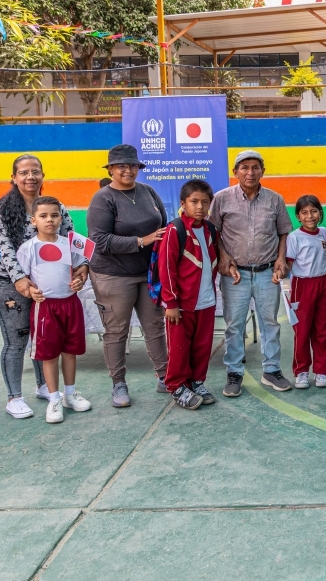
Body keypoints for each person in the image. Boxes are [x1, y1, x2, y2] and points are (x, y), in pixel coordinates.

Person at [0, 154, 74, 419]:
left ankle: (43, 387)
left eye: (35, 172)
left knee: (43, 338)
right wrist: (21, 280)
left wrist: (80, 269)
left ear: (43, 176)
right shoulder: (2, 209)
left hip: (47, 287)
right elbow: (5, 250)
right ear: (13, 177)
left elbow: (70, 240)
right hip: (12, 285)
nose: (30, 177)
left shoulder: (55, 206)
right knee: (16, 342)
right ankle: (14, 397)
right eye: (23, 172)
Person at [86, 144, 169, 408]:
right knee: (117, 330)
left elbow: (163, 226)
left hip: (147, 273)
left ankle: (166, 376)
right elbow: (99, 240)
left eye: (132, 165)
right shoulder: (103, 198)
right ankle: (118, 383)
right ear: (110, 169)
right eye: (121, 166)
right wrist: (140, 241)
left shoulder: (148, 192)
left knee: (155, 327)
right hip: (113, 274)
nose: (128, 170)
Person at [209, 150, 294, 397]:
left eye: (255, 167)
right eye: (244, 167)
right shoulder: (221, 199)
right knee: (234, 326)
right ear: (235, 172)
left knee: (270, 324)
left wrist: (280, 259)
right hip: (235, 275)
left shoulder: (274, 199)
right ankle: (234, 373)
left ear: (263, 171)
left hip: (268, 273)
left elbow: (283, 232)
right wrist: (223, 256)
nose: (250, 172)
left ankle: (271, 370)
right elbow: (214, 233)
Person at [16, 196, 91, 424]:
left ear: (61, 218)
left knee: (70, 351)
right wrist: (30, 292)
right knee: (49, 355)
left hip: (70, 304)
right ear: (33, 220)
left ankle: (70, 394)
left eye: (54, 215)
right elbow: (22, 280)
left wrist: (80, 278)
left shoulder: (71, 243)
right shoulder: (28, 248)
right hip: (45, 308)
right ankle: (54, 399)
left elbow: (81, 269)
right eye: (43, 216)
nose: (49, 220)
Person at [159, 179, 220, 410]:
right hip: (181, 305)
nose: (200, 207)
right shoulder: (176, 230)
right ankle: (176, 385)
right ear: (183, 203)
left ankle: (196, 381)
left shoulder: (210, 229)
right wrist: (171, 303)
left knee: (202, 346)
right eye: (194, 202)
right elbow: (166, 269)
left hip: (206, 302)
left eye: (205, 202)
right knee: (179, 348)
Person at [286, 194, 326, 390]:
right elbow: (288, 265)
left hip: (324, 284)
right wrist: (278, 273)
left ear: (320, 213)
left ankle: (321, 371)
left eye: (314, 211)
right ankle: (301, 371)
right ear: (298, 216)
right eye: (304, 212)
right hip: (303, 286)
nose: (310, 216)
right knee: (302, 330)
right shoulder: (294, 237)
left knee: (324, 329)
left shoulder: (324, 233)